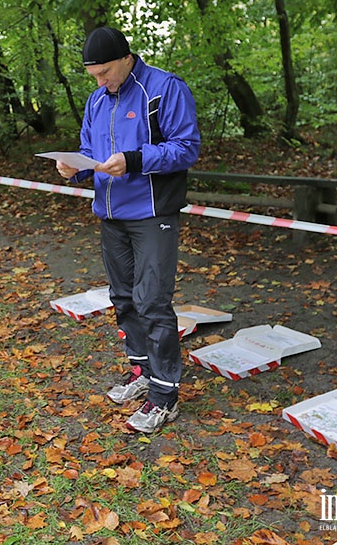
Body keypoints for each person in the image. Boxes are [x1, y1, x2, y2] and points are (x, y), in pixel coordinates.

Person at [55, 27, 201, 434]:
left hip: (153, 213)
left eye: (105, 73)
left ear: (125, 58)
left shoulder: (164, 88)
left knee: (152, 300)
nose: (101, 83)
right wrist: (73, 169)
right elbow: (88, 153)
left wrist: (134, 160)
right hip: (111, 214)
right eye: (94, 76)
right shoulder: (96, 101)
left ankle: (165, 396)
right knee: (123, 297)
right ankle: (142, 372)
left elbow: (187, 147)